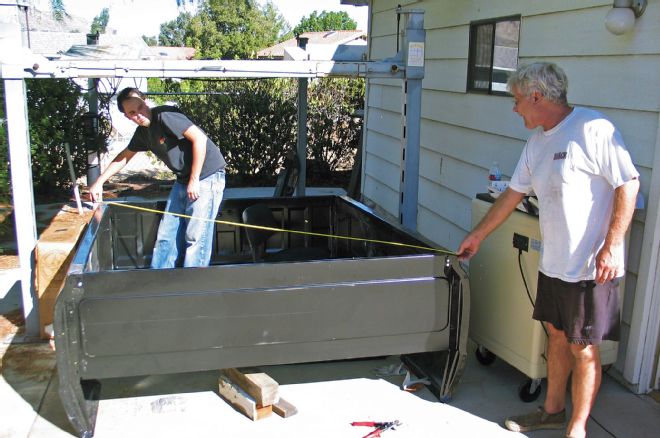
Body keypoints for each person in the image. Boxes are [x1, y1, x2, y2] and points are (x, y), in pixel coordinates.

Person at [457, 63, 639, 438]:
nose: (515, 108)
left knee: (582, 348)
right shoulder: (537, 143)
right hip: (554, 263)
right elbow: (512, 194)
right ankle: (553, 411)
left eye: (517, 100)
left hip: (590, 266)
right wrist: (479, 235)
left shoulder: (593, 129)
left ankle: (577, 428)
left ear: (537, 96)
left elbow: (629, 183)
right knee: (556, 336)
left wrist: (611, 245)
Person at [89, 87, 227, 268]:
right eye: (132, 113)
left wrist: (194, 179)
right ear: (127, 117)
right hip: (184, 179)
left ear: (145, 101)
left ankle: (195, 286)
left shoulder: (165, 116)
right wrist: (99, 182)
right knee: (166, 234)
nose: (139, 114)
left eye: (140, 107)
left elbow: (199, 139)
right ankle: (159, 280)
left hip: (207, 176)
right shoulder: (143, 133)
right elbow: (124, 156)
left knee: (196, 236)